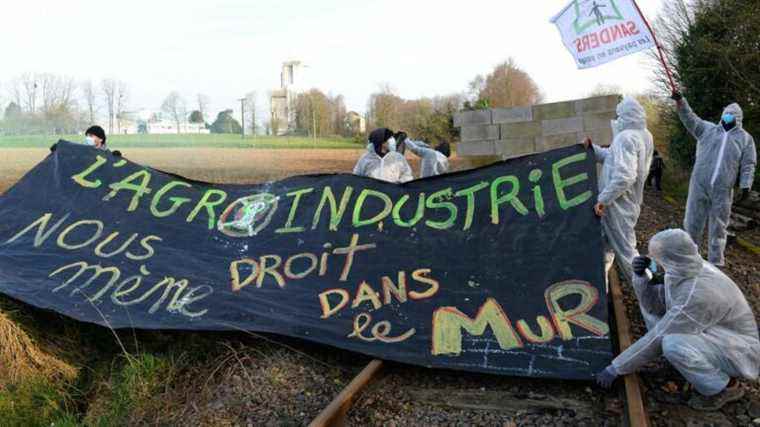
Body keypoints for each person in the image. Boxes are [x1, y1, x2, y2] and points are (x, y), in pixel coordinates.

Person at [595, 229, 759, 411]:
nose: (652, 259)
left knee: (673, 344)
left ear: (670, 259)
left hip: (739, 351)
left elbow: (662, 333)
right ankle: (683, 364)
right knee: (660, 321)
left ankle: (724, 387)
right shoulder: (683, 269)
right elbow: (654, 307)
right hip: (716, 334)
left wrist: (616, 367)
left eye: (656, 257)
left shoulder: (698, 293)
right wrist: (641, 277)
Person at [671, 91, 757, 266]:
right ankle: (689, 257)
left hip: (723, 189)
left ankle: (715, 262)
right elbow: (690, 118)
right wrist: (681, 101)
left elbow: (749, 163)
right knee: (692, 221)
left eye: (732, 116)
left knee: (719, 226)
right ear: (722, 115)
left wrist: (746, 185)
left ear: (738, 119)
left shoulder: (745, 139)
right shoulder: (707, 129)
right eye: (726, 115)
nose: (728, 118)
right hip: (699, 184)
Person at [583, 96, 654, 286]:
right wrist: (593, 150)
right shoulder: (643, 135)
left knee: (628, 255)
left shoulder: (626, 137)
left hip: (617, 205)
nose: (617, 118)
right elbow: (613, 158)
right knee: (605, 250)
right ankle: (601, 289)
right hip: (626, 203)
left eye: (619, 114)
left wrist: (603, 199)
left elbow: (625, 176)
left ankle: (651, 293)